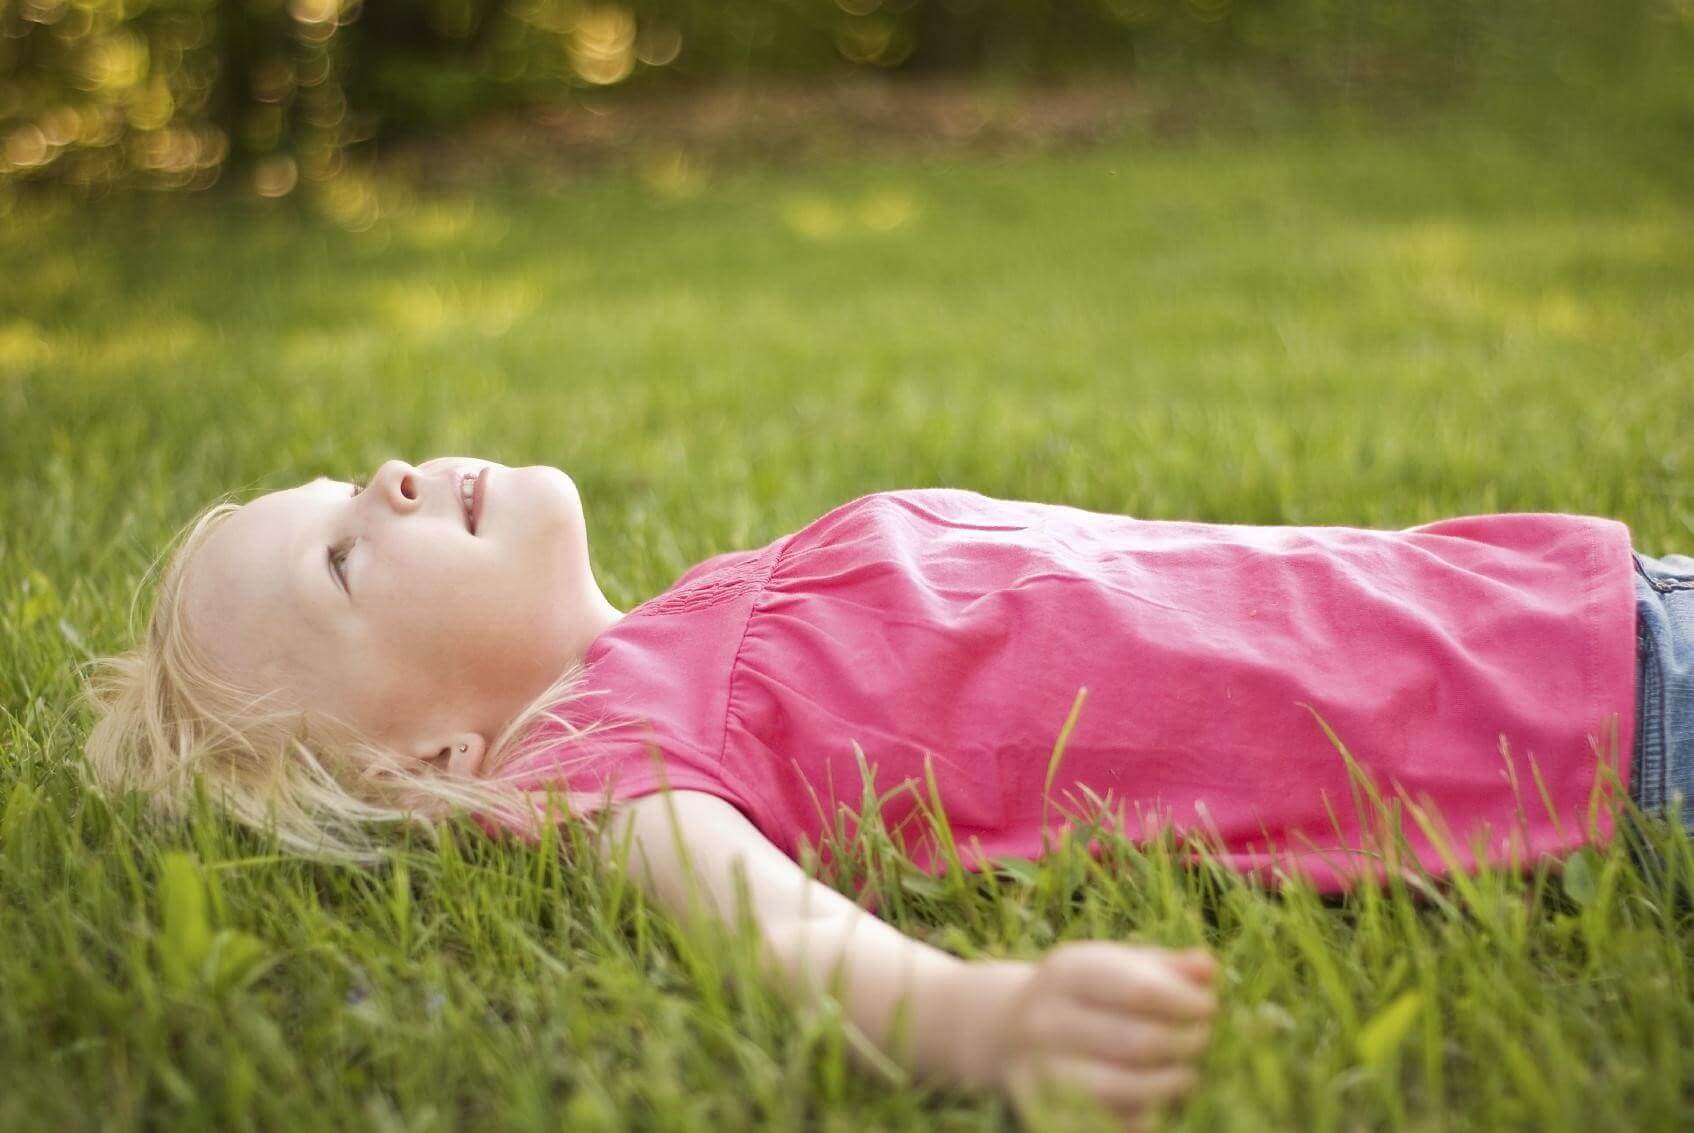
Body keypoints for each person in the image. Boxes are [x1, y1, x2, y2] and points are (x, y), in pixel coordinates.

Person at [81, 456, 1691, 1124]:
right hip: (1590, 726)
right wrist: (978, 1024)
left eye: (347, 476)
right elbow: (767, 932)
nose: (389, 481)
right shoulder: (609, 761)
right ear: (430, 759)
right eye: (346, 558)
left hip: (1551, 604)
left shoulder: (700, 615)